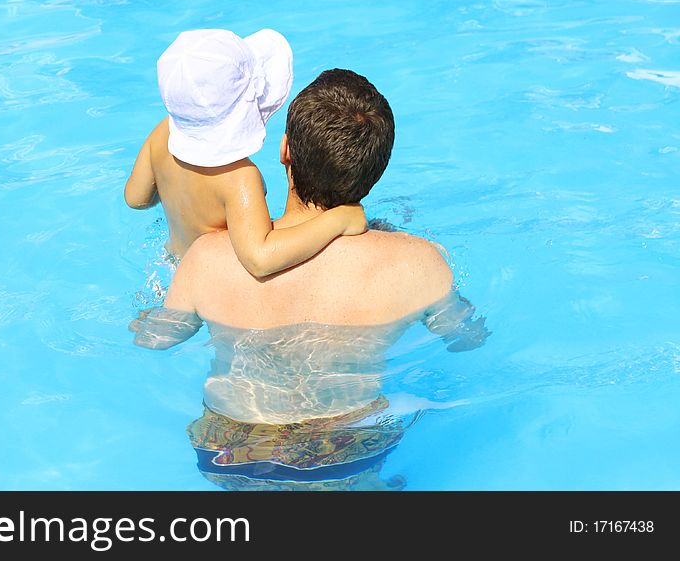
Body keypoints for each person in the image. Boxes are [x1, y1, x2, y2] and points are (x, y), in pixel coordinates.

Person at [132, 68, 488, 489]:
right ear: (376, 171)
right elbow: (466, 338)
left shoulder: (209, 256)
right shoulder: (419, 262)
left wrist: (161, 287)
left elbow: (155, 339)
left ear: (285, 151)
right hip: (343, 453)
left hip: (228, 452)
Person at [123, 29, 366, 278]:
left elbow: (135, 198)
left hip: (169, 264)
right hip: (212, 281)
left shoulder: (162, 134)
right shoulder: (239, 178)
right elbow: (259, 258)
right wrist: (338, 220)